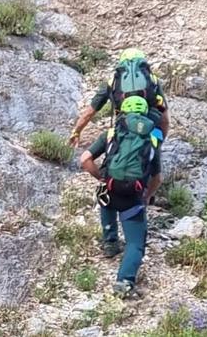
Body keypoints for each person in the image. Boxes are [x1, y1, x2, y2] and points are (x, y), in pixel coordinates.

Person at [78, 95, 161, 297]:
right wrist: (146, 196)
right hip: (133, 195)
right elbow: (158, 177)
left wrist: (101, 177)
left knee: (105, 195)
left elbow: (85, 159)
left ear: (122, 112)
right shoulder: (153, 135)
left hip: (111, 189)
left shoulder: (111, 132)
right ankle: (124, 281)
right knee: (135, 243)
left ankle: (110, 243)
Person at [68, 48, 169, 148]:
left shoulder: (113, 82)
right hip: (150, 126)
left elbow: (89, 113)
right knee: (156, 136)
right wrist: (160, 142)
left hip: (123, 127)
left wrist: (76, 132)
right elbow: (165, 118)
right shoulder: (152, 80)